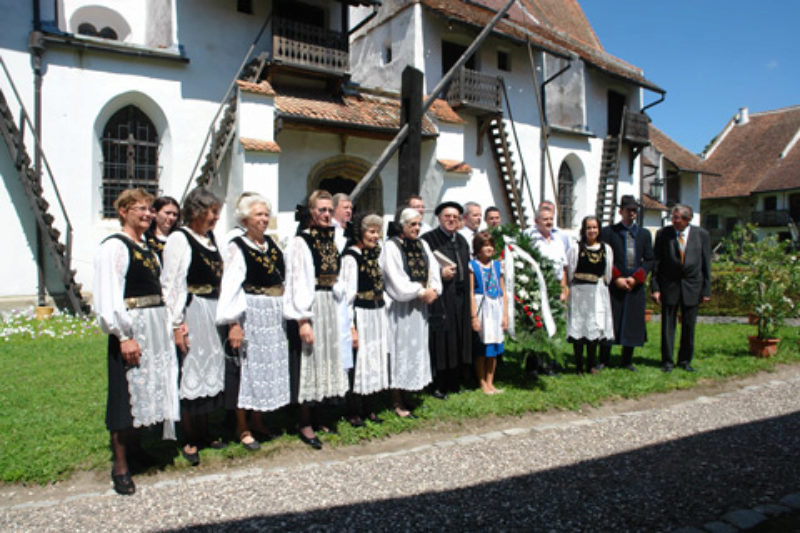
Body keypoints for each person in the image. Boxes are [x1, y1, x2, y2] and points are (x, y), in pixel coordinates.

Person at [94, 188, 180, 495]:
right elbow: (109, 295)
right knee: (125, 394)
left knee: (146, 388)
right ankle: (120, 465)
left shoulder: (146, 247)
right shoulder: (115, 247)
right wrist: (123, 335)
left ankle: (137, 448)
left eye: (148, 209)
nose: (146, 214)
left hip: (153, 325)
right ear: (123, 212)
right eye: (139, 209)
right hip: (132, 328)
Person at [216, 194, 290, 451]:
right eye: (258, 215)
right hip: (252, 311)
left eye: (266, 214)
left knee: (266, 367)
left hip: (273, 312)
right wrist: (233, 322)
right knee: (246, 369)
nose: (263, 219)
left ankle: (258, 418)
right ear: (246, 218)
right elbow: (231, 286)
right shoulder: (237, 246)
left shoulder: (272, 244)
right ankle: (241, 425)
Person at [161, 187, 227, 466]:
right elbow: (172, 283)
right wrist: (177, 323)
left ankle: (204, 430)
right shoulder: (180, 238)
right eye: (212, 212)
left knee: (209, 368)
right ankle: (188, 436)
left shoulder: (210, 239)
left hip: (212, 309)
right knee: (191, 370)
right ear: (198, 211)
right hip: (193, 309)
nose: (215, 218)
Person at [283, 190, 349, 449]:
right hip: (312, 305)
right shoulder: (302, 242)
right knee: (309, 360)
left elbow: (338, 274)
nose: (326, 215)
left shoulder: (332, 240)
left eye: (329, 211)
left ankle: (322, 413)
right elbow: (297, 281)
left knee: (327, 357)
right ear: (311, 213)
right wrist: (303, 319)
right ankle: (304, 420)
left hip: (330, 303)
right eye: (321, 210)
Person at [384, 207, 440, 417]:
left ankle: (410, 393)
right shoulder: (391, 246)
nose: (417, 228)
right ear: (402, 225)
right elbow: (395, 278)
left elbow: (433, 269)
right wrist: (419, 291)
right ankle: (397, 399)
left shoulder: (423, 244)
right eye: (412, 225)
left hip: (420, 308)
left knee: (416, 349)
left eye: (419, 224)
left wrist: (434, 289)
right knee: (400, 350)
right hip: (401, 307)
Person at [340, 213, 391, 425]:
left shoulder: (375, 254)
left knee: (373, 359)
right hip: (361, 313)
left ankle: (370, 406)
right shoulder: (352, 257)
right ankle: (353, 410)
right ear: (360, 233)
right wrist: (351, 327)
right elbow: (347, 296)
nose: (375, 236)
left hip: (377, 312)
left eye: (377, 231)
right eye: (371, 231)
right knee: (359, 361)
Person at [651, 204, 711, 373]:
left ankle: (685, 360)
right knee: (668, 325)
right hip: (670, 286)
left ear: (687, 219)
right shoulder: (664, 234)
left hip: (692, 287)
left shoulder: (702, 235)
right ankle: (667, 361)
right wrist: (655, 288)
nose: (674, 220)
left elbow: (706, 264)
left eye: (677, 217)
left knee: (689, 326)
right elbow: (657, 263)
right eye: (673, 217)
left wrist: (706, 290)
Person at [421, 201, 472, 396]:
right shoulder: (428, 239)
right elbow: (421, 269)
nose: (451, 220)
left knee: (458, 337)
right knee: (441, 339)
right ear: (439, 218)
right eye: (447, 216)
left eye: (455, 217)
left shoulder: (461, 240)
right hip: (441, 298)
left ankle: (454, 380)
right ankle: (437, 383)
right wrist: (439, 274)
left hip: (460, 297)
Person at [599, 195, 654, 371]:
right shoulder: (609, 232)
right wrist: (616, 278)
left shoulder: (644, 234)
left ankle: (627, 359)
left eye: (634, 210)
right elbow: (605, 257)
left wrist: (636, 278)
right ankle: (604, 359)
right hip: (615, 284)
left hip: (634, 285)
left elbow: (649, 260)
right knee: (610, 321)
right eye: (628, 210)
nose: (632, 213)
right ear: (620, 211)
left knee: (632, 321)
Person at [566, 216, 614, 374]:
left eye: (594, 227)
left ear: (599, 229)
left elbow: (608, 273)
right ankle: (579, 366)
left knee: (594, 328)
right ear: (583, 230)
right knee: (579, 329)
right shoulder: (576, 249)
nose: (591, 231)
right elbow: (571, 271)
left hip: (597, 293)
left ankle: (591, 364)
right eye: (588, 228)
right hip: (579, 292)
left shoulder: (606, 249)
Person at [525, 203, 568, 377]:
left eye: (551, 219)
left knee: (553, 328)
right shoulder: (530, 238)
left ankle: (549, 365)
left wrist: (564, 289)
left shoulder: (558, 240)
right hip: (536, 288)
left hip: (555, 289)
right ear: (536, 221)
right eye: (545, 219)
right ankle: (533, 366)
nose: (549, 222)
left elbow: (563, 268)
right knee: (536, 328)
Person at [469, 232, 508, 394]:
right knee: (482, 348)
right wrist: (474, 317)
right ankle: (482, 381)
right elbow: (470, 292)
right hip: (482, 307)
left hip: (496, 307)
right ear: (478, 249)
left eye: (491, 245)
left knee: (493, 348)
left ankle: (491, 381)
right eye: (485, 245)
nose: (489, 248)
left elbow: (503, 290)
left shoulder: (498, 266)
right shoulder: (473, 266)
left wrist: (505, 314)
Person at [144, 196, 180, 260]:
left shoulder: (179, 239)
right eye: (167, 213)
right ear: (155, 213)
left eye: (175, 214)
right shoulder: (144, 237)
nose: (171, 217)